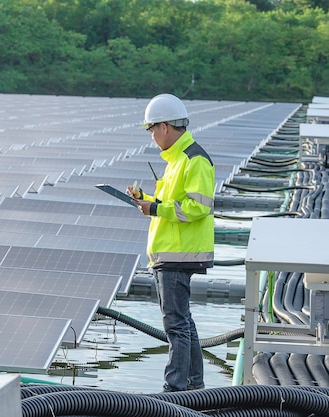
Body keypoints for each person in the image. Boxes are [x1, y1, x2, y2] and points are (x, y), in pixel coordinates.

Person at [127, 93, 215, 392]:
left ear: (165, 126)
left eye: (152, 129)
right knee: (183, 323)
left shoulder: (194, 158)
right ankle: (193, 386)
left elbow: (197, 207)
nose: (152, 136)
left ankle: (175, 391)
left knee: (176, 325)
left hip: (180, 254)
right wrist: (147, 202)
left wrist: (155, 208)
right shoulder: (178, 158)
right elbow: (172, 204)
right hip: (172, 252)